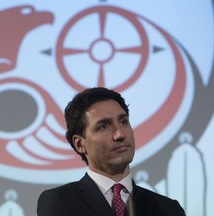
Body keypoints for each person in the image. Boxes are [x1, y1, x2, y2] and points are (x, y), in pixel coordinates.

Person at [37, 87, 186, 216]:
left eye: (123, 122)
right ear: (80, 144)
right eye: (103, 126)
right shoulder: (60, 202)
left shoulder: (169, 209)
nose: (120, 134)